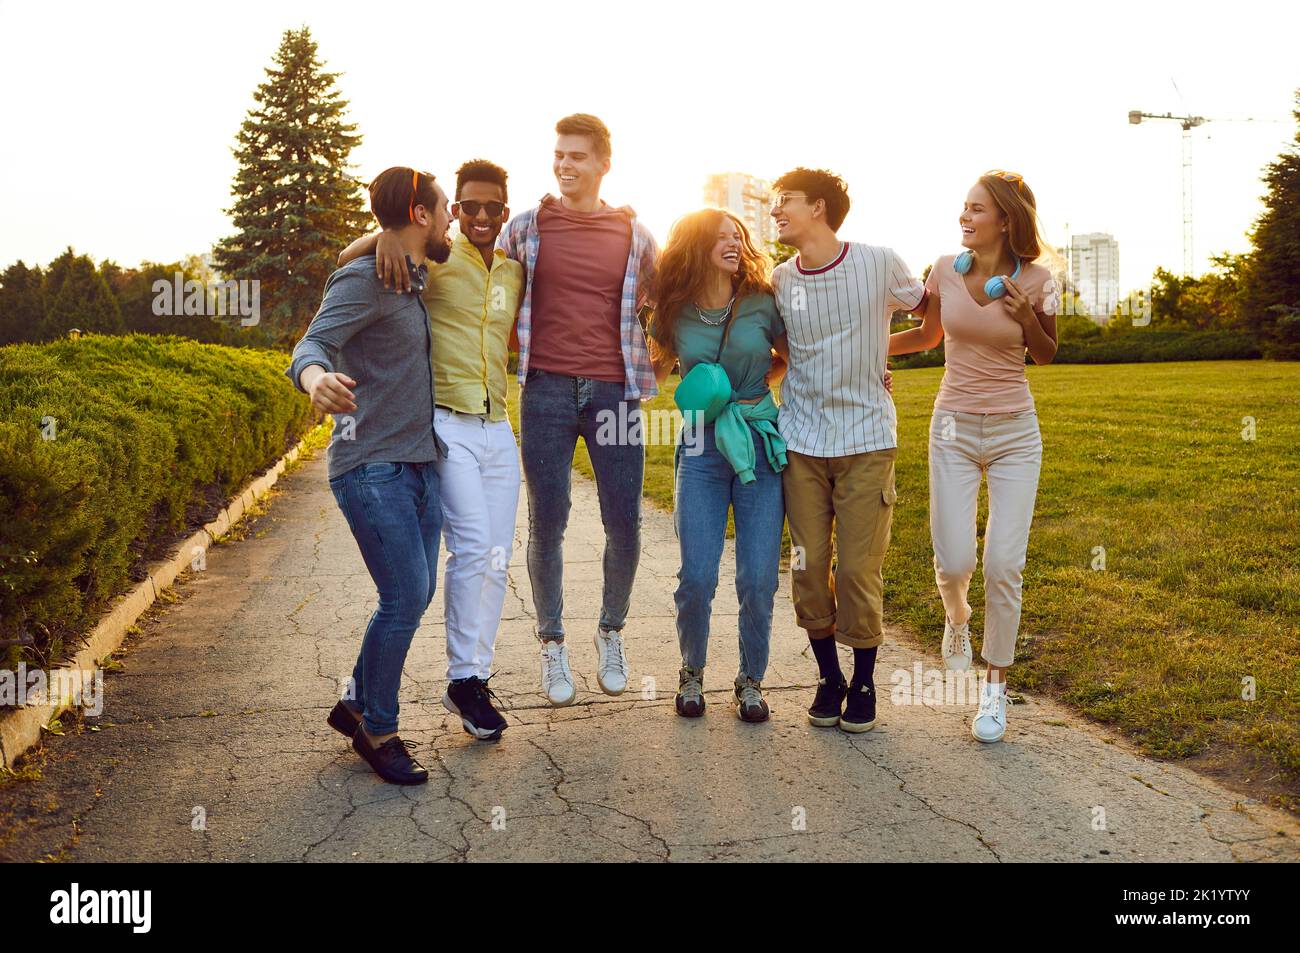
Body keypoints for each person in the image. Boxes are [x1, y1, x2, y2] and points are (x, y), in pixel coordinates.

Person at [340, 159, 525, 742]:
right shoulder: (435, 261)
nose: (477, 216)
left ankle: (364, 693)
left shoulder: (517, 270)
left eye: (491, 207)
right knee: (469, 547)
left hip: (499, 424)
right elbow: (349, 263)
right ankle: (463, 680)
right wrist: (384, 234)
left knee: (496, 556)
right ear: (453, 208)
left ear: (503, 209)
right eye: (465, 206)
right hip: (444, 424)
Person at [287, 167, 452, 783]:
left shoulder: (410, 272)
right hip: (370, 468)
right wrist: (315, 380)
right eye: (443, 209)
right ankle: (378, 729)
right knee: (404, 597)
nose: (452, 218)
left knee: (413, 594)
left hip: (418, 465)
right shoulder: (366, 278)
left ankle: (355, 700)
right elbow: (310, 346)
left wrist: (377, 236)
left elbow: (422, 244)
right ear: (419, 214)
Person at [889, 170, 1059, 743]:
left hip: (1016, 433)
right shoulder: (943, 268)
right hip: (953, 429)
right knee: (956, 558)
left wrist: (1025, 315)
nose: (964, 217)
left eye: (977, 209)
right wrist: (853, 351)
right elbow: (925, 337)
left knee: (1005, 564)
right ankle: (957, 618)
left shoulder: (1040, 279)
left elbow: (1048, 354)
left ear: (1006, 220)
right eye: (963, 207)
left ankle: (994, 694)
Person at [497, 114, 659, 707]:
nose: (565, 165)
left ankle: (611, 631)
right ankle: (552, 642)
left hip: (615, 391)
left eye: (577, 157)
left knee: (625, 519)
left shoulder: (635, 235)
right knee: (550, 518)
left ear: (603, 163)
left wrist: (665, 367)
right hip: (544, 390)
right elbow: (473, 278)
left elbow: (671, 301)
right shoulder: (524, 229)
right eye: (559, 155)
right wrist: (380, 236)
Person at [769, 167, 926, 733]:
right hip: (803, 443)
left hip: (866, 441)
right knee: (809, 569)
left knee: (858, 570)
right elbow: (786, 351)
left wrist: (877, 352)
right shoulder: (781, 280)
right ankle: (828, 676)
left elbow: (930, 329)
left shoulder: (880, 262)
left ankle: (863, 681)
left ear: (818, 207)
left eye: (784, 201)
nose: (774, 211)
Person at [647, 209, 788, 722]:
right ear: (696, 246)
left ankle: (751, 681)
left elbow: (791, 356)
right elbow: (652, 372)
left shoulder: (761, 301)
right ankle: (692, 672)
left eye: (738, 236)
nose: (734, 243)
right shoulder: (674, 310)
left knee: (757, 578)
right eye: (721, 237)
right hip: (702, 450)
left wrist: (748, 395)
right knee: (697, 577)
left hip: (759, 445)